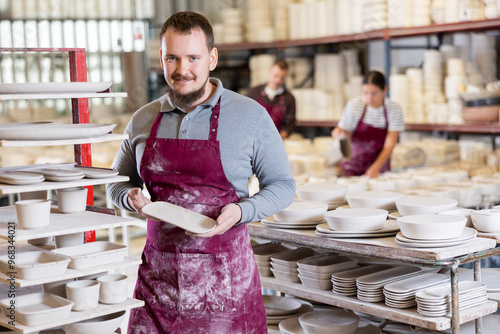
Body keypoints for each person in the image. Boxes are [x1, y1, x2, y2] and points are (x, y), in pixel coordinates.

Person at [106, 11, 296, 334]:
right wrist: (129, 196)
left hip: (226, 289)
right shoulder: (141, 120)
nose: (182, 70)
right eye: (172, 58)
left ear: (212, 58)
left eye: (193, 58)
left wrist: (241, 210)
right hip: (159, 287)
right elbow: (115, 185)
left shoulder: (250, 116)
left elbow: (283, 185)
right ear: (162, 60)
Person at [331, 71, 404, 178]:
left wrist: (375, 168)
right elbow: (343, 131)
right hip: (352, 166)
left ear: (384, 90)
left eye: (374, 94)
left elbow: (389, 146)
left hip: (380, 167)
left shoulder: (394, 110)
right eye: (365, 93)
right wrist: (339, 133)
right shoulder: (354, 106)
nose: (369, 98)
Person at [246, 59, 296, 138]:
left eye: (282, 78)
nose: (278, 80)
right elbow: (245, 117)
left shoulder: (289, 98)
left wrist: (279, 137)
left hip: (278, 140)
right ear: (269, 71)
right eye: (276, 75)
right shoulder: (254, 93)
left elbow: (290, 124)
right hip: (255, 139)